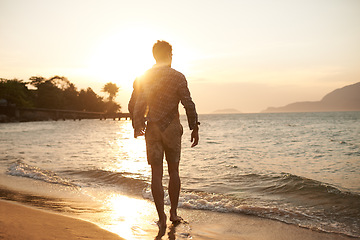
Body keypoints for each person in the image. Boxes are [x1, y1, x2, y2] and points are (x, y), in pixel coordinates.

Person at [128, 40, 199, 236]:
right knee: (174, 170)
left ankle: (161, 217)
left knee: (156, 174)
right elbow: (188, 103)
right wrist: (194, 126)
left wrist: (137, 123)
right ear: (170, 55)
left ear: (154, 56)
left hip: (152, 128)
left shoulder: (145, 77)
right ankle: (174, 213)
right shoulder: (177, 77)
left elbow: (135, 102)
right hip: (172, 127)